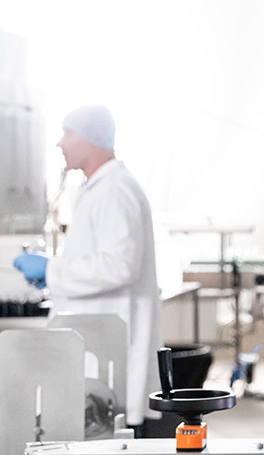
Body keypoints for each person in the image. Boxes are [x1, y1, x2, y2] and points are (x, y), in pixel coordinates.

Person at [12, 105, 166, 436]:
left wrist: (53, 270)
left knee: (113, 441)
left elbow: (120, 266)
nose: (59, 144)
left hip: (113, 346)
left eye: (68, 133)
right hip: (101, 341)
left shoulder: (114, 189)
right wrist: (54, 273)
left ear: (93, 138)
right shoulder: (99, 188)